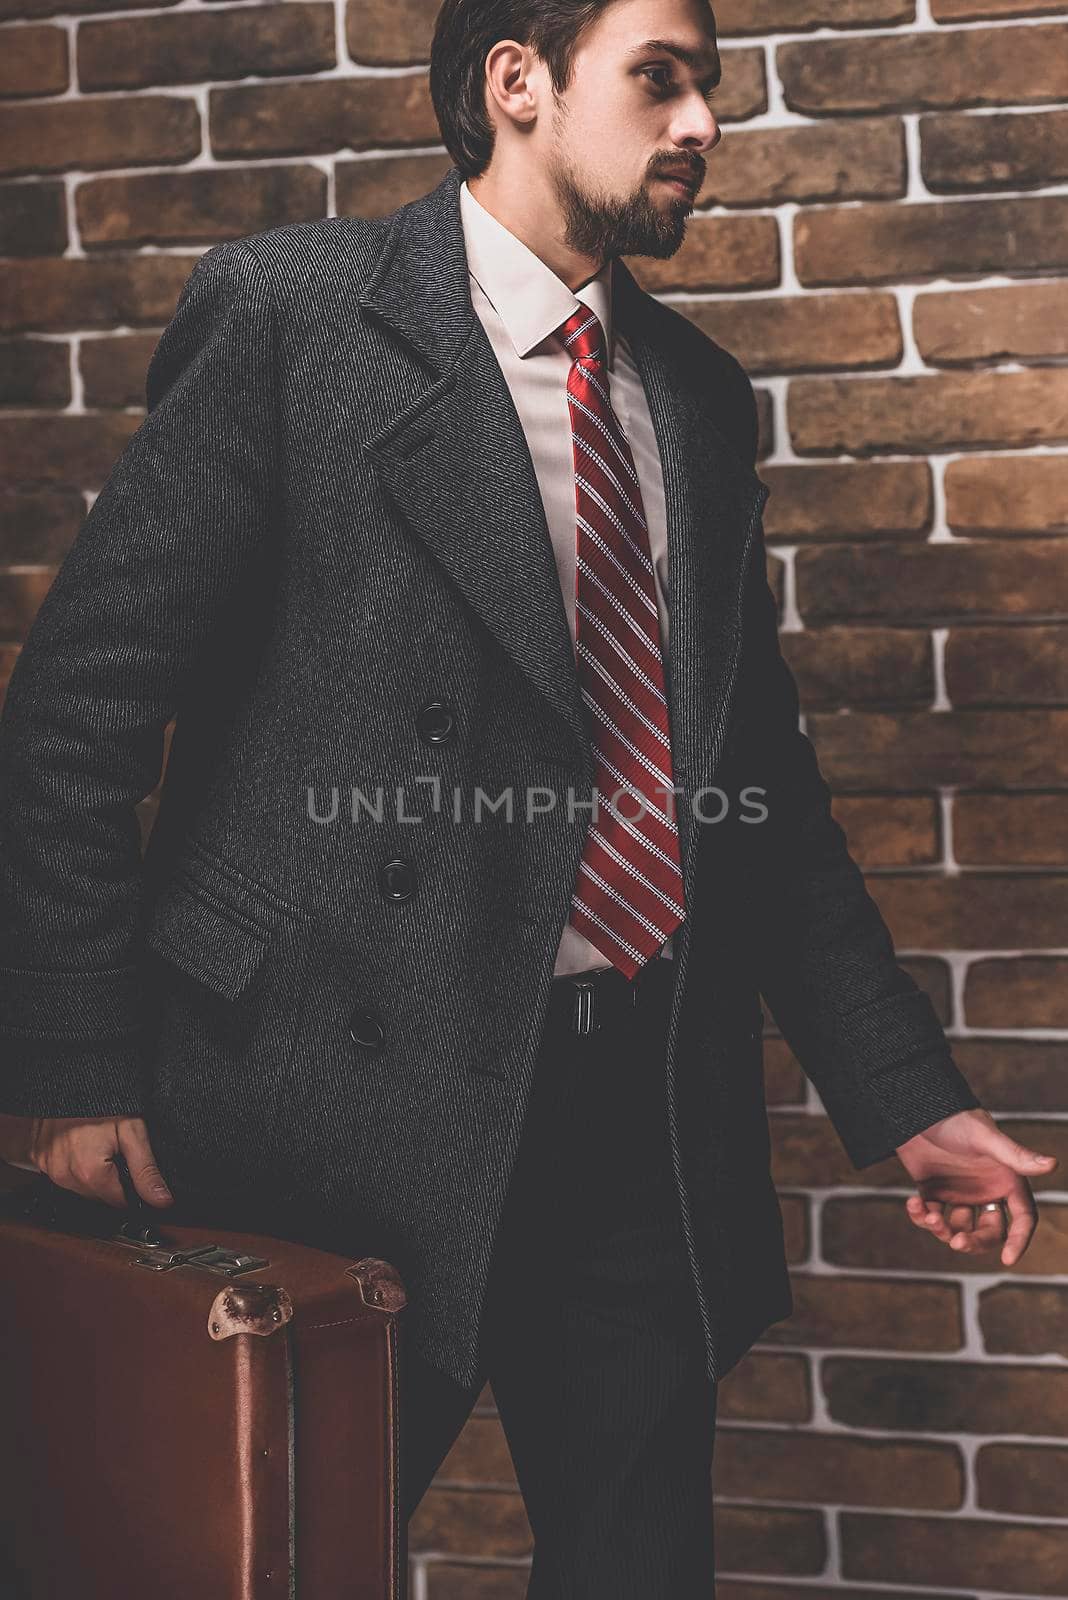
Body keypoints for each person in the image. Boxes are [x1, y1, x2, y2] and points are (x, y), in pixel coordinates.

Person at [0, 0, 1056, 1591]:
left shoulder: (692, 397)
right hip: (317, 1100)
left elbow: (747, 784)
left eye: (711, 86)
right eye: (662, 78)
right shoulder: (298, 318)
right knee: (262, 1565)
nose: (705, 123)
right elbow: (78, 708)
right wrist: (76, 1064)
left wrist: (904, 1093)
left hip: (635, 1106)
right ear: (517, 84)